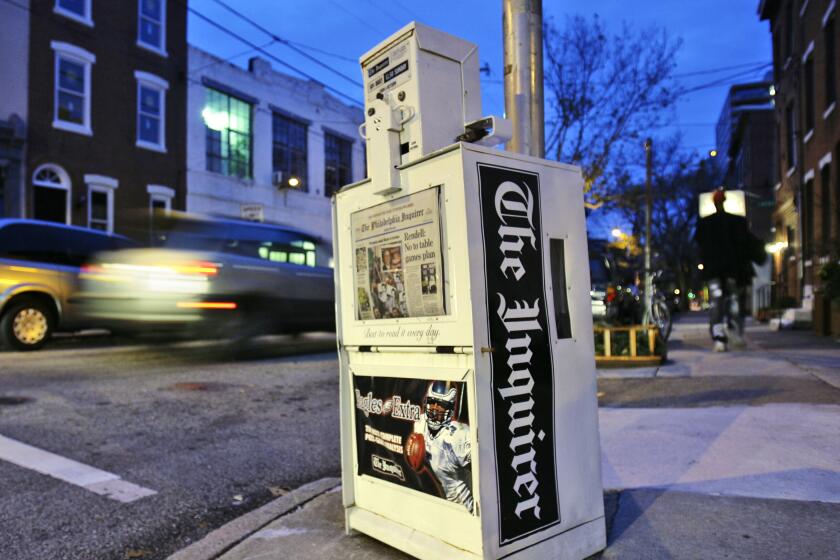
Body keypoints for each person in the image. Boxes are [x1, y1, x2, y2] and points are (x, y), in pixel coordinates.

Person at [695, 189, 766, 352]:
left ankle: (720, 339)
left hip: (714, 272)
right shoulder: (737, 222)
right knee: (735, 302)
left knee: (717, 304)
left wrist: (702, 267)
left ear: (714, 203)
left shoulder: (705, 224)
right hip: (734, 271)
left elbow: (700, 248)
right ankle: (735, 333)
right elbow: (746, 244)